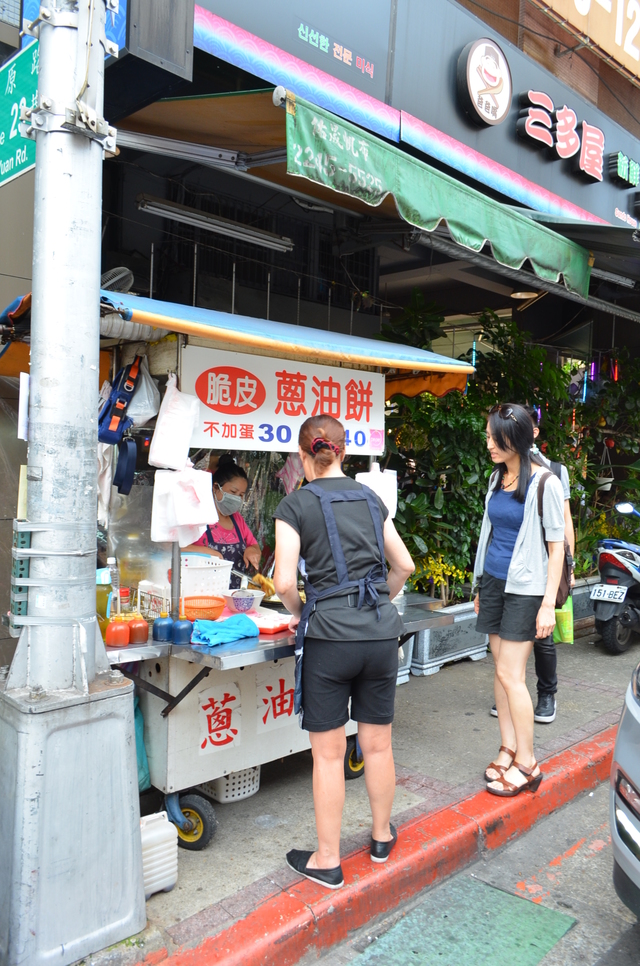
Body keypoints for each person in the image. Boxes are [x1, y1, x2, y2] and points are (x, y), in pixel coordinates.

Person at [273, 415, 414, 889]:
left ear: (302, 455)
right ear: (343, 452)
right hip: (379, 636)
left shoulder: (294, 505)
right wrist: (377, 603)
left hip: (329, 640)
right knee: (377, 744)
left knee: (330, 756)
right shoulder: (371, 499)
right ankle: (380, 838)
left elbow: (285, 583)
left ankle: (328, 859)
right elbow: (405, 565)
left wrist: (303, 612)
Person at [473, 404, 565, 797]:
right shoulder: (498, 477)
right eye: (490, 436)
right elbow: (488, 534)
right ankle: (508, 746)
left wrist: (547, 605)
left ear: (516, 440)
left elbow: (557, 547)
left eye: (495, 437)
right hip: (494, 580)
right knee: (500, 671)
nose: (489, 443)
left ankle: (528, 762)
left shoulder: (546, 482)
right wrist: (479, 585)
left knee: (512, 674)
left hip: (526, 588)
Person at [489, 405, 575, 724]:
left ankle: (546, 693)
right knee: (510, 662)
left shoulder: (552, 473)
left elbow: (563, 524)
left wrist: (570, 564)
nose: (492, 443)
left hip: (537, 574)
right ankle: (515, 697)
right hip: (505, 578)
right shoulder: (499, 475)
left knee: (543, 639)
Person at [183, 455, 261, 588]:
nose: (237, 498)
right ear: (215, 487)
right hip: (202, 594)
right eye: (233, 492)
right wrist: (207, 553)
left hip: (235, 598)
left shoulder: (237, 520)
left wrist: (252, 551)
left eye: (241, 495)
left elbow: (254, 546)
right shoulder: (198, 516)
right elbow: (177, 549)